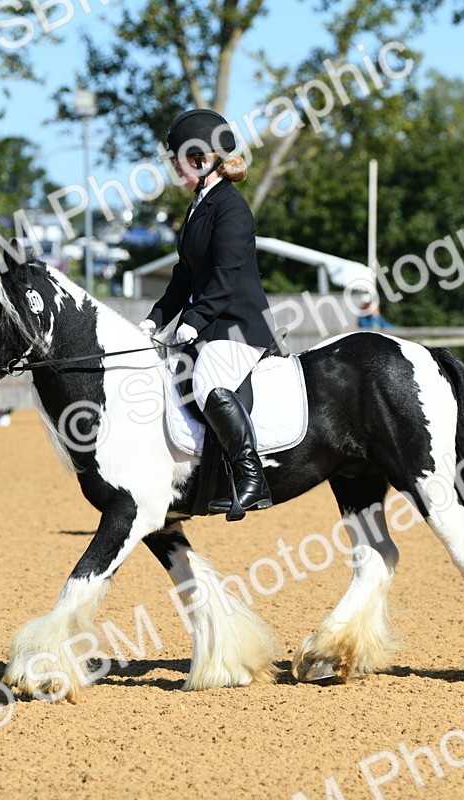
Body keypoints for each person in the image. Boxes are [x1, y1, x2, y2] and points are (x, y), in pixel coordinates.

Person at [139, 108, 277, 519]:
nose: (174, 173)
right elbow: (185, 275)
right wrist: (156, 318)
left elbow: (225, 277)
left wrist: (192, 322)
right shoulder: (200, 205)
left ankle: (251, 477)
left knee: (206, 382)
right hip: (213, 325)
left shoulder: (231, 209)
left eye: (178, 164)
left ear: (201, 160)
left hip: (240, 327)